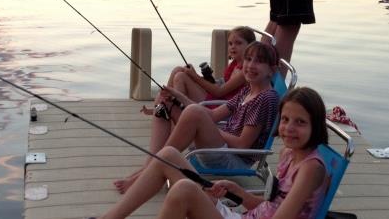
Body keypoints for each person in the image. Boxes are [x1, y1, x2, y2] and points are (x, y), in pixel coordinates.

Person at [96, 87, 331, 219]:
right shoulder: (289, 155)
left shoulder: (311, 169)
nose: (289, 128)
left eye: (300, 122)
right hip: (243, 216)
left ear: (316, 125)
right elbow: (273, 206)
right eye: (286, 119)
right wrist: (237, 191)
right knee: (169, 155)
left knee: (184, 189)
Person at [113, 41, 280, 194]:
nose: (250, 65)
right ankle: (150, 166)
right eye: (248, 59)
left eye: (258, 61)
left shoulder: (265, 99)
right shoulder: (248, 90)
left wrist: (209, 128)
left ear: (272, 69)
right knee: (164, 104)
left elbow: (243, 145)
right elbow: (214, 115)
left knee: (195, 112)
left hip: (233, 159)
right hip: (220, 147)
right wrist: (178, 96)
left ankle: (147, 174)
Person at [141, 26, 256, 120]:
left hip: (220, 108)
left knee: (181, 77)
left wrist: (194, 76)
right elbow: (221, 84)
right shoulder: (235, 64)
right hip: (216, 100)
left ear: (250, 46)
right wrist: (196, 76)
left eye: (238, 43)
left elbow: (219, 91)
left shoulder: (244, 72)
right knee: (178, 70)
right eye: (230, 44)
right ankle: (162, 106)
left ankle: (177, 116)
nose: (233, 47)